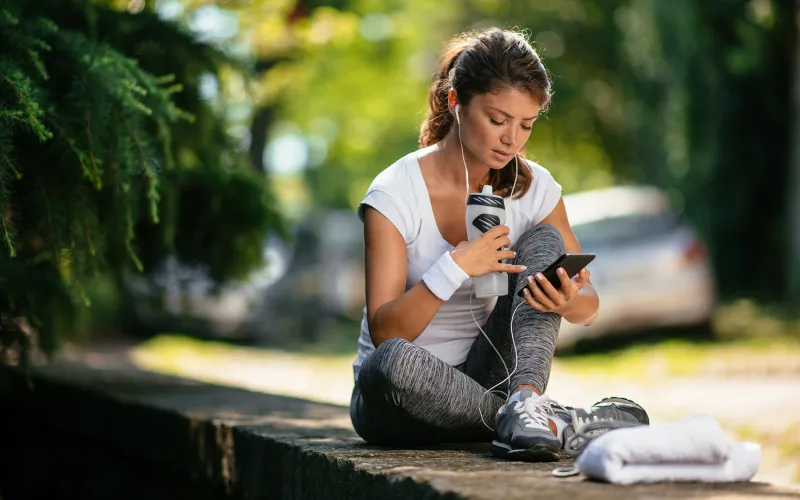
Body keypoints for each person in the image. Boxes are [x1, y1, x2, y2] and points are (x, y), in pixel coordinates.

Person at [349, 27, 648, 462]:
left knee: (545, 240)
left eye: (525, 124)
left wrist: (567, 300)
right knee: (391, 362)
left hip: (493, 373)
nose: (512, 139)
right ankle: (557, 422)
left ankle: (527, 402)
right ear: (456, 103)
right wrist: (454, 266)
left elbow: (590, 306)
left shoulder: (535, 190)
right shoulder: (395, 192)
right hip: (399, 394)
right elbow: (386, 333)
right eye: (497, 120)